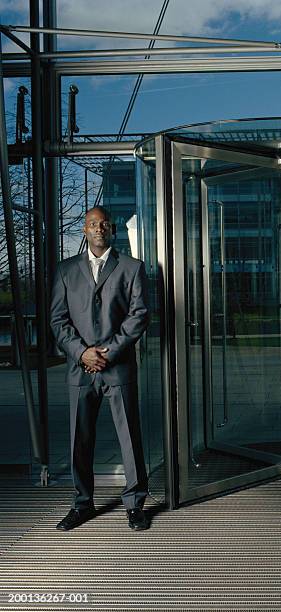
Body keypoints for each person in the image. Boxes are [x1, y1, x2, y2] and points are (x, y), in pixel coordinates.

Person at [50, 206, 151, 531]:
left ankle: (135, 504)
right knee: (80, 439)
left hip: (117, 366)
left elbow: (139, 315)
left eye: (104, 224)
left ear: (112, 230)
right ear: (84, 230)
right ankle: (82, 504)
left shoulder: (132, 268)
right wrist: (83, 353)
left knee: (129, 438)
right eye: (92, 224)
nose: (98, 229)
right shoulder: (66, 270)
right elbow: (58, 319)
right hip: (81, 369)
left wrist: (107, 351)